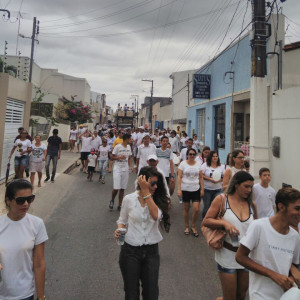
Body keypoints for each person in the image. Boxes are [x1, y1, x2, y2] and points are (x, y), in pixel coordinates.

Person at [115, 167, 170, 300]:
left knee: (151, 294)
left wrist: (146, 192)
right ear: (142, 181)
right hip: (130, 251)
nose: (156, 186)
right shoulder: (129, 199)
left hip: (151, 252)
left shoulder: (159, 200)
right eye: (152, 183)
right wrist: (119, 230)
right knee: (131, 293)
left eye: (157, 183)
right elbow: (122, 220)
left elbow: (156, 215)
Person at [236, 187, 300, 300]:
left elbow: (292, 264)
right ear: (281, 207)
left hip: (285, 296)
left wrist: (293, 273)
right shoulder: (259, 226)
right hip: (260, 295)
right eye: (297, 208)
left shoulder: (295, 237)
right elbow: (240, 257)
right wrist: (273, 274)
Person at [202, 171, 257, 300]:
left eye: (251, 187)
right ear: (236, 185)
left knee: (241, 295)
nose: (249, 190)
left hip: (246, 256)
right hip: (227, 255)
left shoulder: (251, 204)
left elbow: (257, 229)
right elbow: (206, 221)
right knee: (230, 297)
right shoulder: (222, 199)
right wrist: (224, 224)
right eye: (246, 186)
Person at [0, 179, 48, 300]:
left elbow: (39, 264)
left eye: (30, 199)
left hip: (24, 294)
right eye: (21, 200)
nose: (26, 204)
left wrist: (41, 296)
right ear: (8, 200)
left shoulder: (37, 224)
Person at [177, 148, 204, 237]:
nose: (192, 156)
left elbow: (201, 177)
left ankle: (193, 226)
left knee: (196, 209)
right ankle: (187, 226)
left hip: (196, 189)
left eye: (193, 154)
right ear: (187, 155)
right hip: (185, 189)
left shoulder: (198, 164)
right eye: (190, 154)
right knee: (186, 209)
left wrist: (202, 189)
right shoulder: (182, 164)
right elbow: (179, 177)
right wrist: (179, 189)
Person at [109, 134, 133, 211]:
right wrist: (119, 157)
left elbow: (129, 158)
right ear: (126, 139)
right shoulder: (118, 147)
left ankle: (120, 204)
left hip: (125, 169)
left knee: (122, 188)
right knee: (116, 188)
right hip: (117, 168)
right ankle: (112, 200)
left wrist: (130, 166)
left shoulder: (129, 147)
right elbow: (112, 157)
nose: (131, 140)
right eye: (130, 139)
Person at [201, 151, 225, 219]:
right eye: (213, 156)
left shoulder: (221, 166)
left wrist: (218, 180)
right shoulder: (205, 165)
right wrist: (210, 179)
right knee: (207, 207)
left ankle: (214, 221)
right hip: (207, 190)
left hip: (218, 189)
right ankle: (205, 222)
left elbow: (224, 177)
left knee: (218, 206)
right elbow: (201, 175)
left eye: (216, 156)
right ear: (210, 157)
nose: (215, 158)